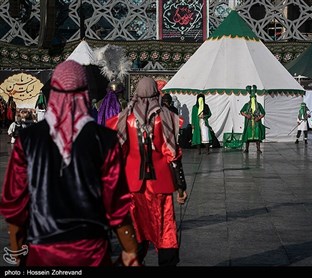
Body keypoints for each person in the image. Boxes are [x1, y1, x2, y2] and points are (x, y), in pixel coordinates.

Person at [0, 60, 140, 266]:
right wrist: (130, 250)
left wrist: (16, 253)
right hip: (91, 251)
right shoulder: (105, 140)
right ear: (85, 93)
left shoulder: (28, 140)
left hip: (42, 252)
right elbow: (117, 206)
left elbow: (15, 207)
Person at [107, 76, 188, 266]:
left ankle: (136, 259)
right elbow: (173, 155)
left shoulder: (125, 117)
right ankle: (166, 261)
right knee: (165, 227)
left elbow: (120, 152)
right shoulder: (165, 117)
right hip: (161, 183)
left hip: (132, 184)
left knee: (136, 226)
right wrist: (181, 188)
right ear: (155, 91)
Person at [241, 85, 265, 153]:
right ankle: (246, 149)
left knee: (257, 135)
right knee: (248, 135)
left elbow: (263, 113)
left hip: (256, 122)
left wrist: (259, 117)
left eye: (254, 97)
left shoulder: (259, 105)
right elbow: (241, 112)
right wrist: (246, 115)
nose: (253, 99)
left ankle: (258, 149)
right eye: (252, 97)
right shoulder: (246, 105)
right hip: (249, 122)